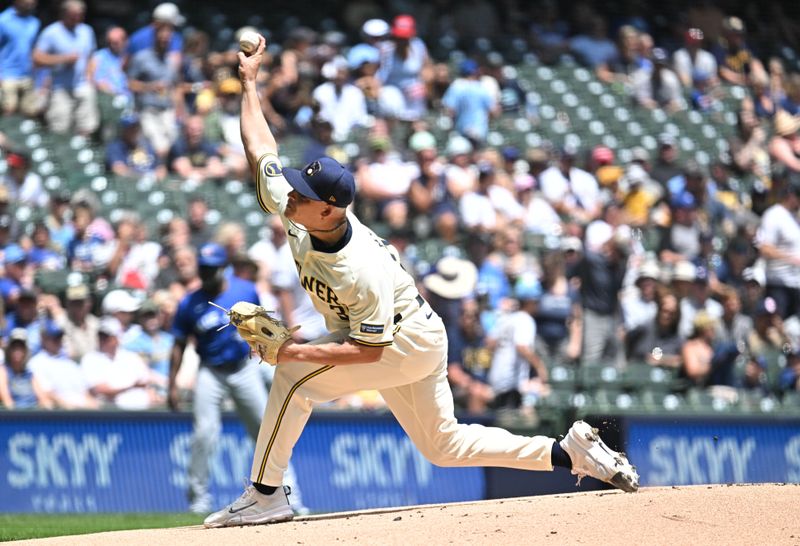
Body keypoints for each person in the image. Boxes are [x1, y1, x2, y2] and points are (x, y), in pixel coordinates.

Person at [201, 34, 639, 528]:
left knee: (292, 378)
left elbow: (370, 353)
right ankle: (567, 453)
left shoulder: (357, 265)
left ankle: (265, 494)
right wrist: (250, 84)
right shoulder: (301, 212)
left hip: (401, 340)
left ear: (328, 208)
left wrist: (292, 352)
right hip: (419, 334)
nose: (290, 194)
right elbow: (262, 149)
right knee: (443, 445)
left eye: (302, 193)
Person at [168, 242, 305, 515]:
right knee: (204, 433)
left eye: (213, 269)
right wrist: (171, 384)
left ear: (223, 268)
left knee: (268, 432)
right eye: (204, 269)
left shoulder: (244, 290)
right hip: (211, 371)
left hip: (245, 368)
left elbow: (264, 328)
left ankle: (290, 495)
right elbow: (178, 345)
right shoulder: (189, 302)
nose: (208, 274)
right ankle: (199, 500)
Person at [31, 0, 98, 135]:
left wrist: (90, 75)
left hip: (82, 86)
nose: (76, 19)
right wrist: (63, 59)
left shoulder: (86, 31)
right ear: (64, 14)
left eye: (80, 15)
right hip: (60, 87)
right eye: (73, 15)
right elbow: (37, 58)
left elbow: (91, 56)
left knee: (86, 126)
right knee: (60, 127)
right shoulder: (51, 32)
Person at [0, 0, 41, 117]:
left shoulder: (34, 22)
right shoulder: (3, 20)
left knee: (30, 114)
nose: (31, 3)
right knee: (8, 112)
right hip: (7, 75)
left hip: (28, 76)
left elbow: (35, 50)